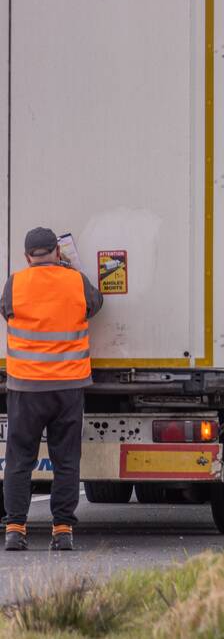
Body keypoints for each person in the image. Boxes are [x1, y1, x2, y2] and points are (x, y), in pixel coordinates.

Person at [2, 228, 103, 551]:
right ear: (58, 252)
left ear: (27, 256)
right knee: (66, 460)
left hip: (26, 387)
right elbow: (94, 304)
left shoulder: (14, 284)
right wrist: (70, 270)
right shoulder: (76, 281)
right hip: (68, 387)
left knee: (19, 460)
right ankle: (62, 531)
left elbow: (7, 312)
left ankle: (16, 528)